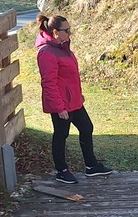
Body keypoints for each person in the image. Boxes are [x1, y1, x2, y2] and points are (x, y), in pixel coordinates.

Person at [35, 14, 111, 184]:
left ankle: (91, 166)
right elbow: (48, 83)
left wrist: (78, 94)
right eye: (67, 30)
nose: (70, 33)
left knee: (86, 127)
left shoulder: (63, 47)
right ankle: (61, 171)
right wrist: (59, 107)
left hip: (74, 101)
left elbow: (70, 77)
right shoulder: (46, 53)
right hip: (61, 104)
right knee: (61, 134)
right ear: (55, 32)